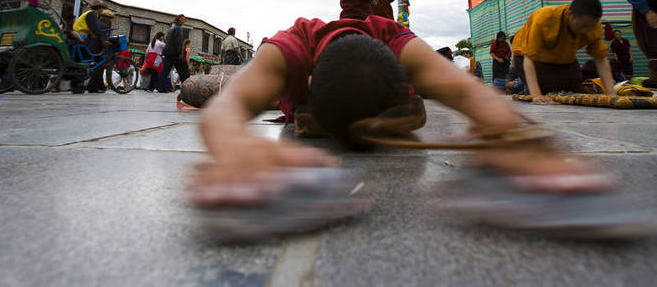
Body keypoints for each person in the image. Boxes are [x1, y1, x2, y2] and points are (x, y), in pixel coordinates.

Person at [189, 15, 619, 230]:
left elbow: (471, 93)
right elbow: (227, 108)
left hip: (341, 100)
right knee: (200, 89)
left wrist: (520, 136)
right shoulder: (287, 49)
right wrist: (234, 148)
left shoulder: (399, 41)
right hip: (298, 92)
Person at [511, 0, 616, 102]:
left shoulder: (593, 26)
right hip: (526, 55)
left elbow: (601, 59)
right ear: (570, 15)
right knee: (546, 84)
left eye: (590, 26)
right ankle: (529, 89)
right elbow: (529, 58)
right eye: (583, 25)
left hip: (561, 56)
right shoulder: (544, 18)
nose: (585, 30)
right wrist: (536, 95)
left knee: (574, 80)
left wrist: (611, 93)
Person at [159, 14, 190, 92]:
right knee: (184, 69)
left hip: (168, 52)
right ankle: (188, 87)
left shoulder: (171, 28)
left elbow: (167, 39)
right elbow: (178, 42)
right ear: (179, 19)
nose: (184, 21)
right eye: (183, 19)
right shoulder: (178, 28)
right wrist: (180, 53)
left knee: (165, 71)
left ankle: (160, 88)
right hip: (175, 53)